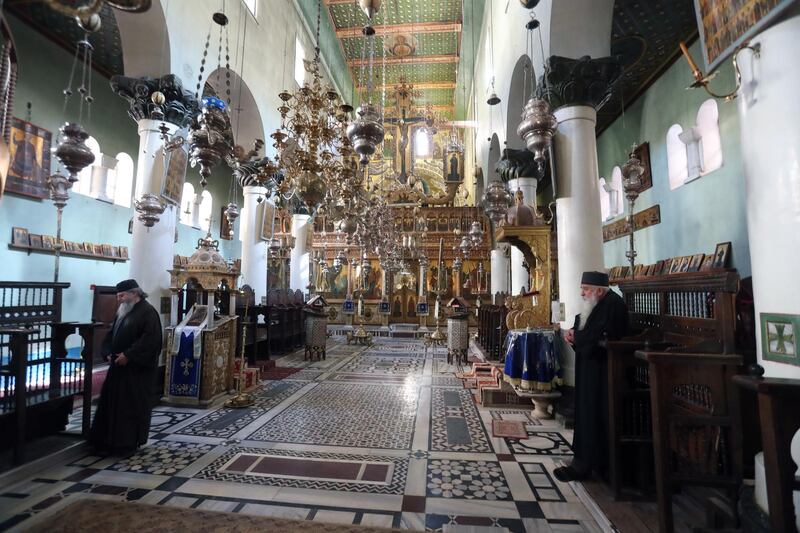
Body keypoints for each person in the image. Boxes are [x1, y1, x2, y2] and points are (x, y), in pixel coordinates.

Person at [554, 271, 628, 482]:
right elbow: (584, 323)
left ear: (598, 290)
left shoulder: (613, 305)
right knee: (587, 415)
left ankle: (591, 465)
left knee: (595, 416)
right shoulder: (598, 303)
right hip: (592, 370)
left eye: (585, 289)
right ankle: (583, 462)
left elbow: (599, 333)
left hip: (604, 373)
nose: (582, 293)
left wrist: (576, 336)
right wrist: (572, 333)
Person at [90, 279, 162, 455]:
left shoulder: (148, 313)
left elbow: (150, 341)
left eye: (121, 295)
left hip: (136, 371)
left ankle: (126, 444)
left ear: (134, 293)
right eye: (117, 295)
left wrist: (129, 355)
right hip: (118, 368)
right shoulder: (123, 311)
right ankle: (106, 441)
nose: (119, 299)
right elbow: (111, 334)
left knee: (129, 407)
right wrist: (107, 351)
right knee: (112, 405)